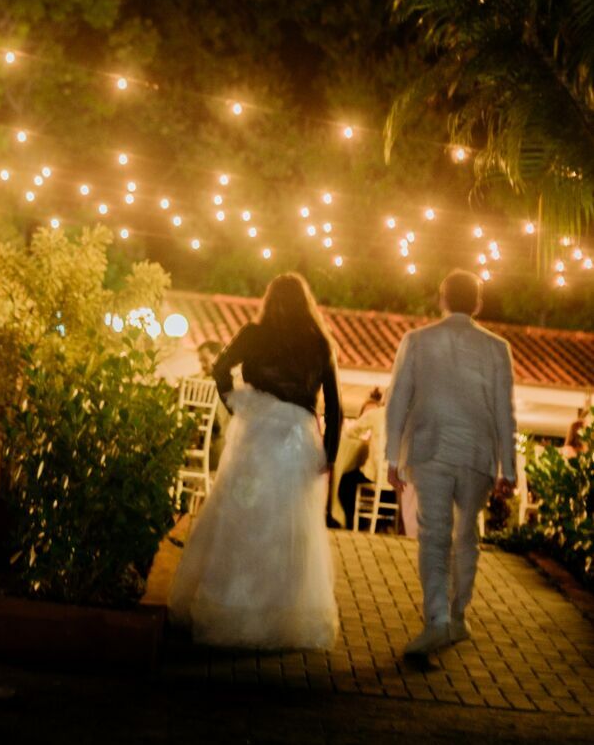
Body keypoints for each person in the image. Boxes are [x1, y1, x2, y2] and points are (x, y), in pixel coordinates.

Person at [168, 273, 342, 649]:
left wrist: (235, 402)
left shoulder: (253, 334)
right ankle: (283, 613)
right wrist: (328, 454)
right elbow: (336, 406)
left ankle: (231, 604)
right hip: (298, 439)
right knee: (289, 526)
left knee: (241, 515)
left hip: (257, 434)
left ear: (269, 300)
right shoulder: (318, 343)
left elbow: (219, 368)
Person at [385, 269, 517, 658]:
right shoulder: (497, 347)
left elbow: (397, 400)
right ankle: (457, 615)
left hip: (430, 448)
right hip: (478, 454)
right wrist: (508, 470)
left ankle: (438, 619)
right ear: (477, 302)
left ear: (441, 299)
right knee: (465, 536)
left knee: (434, 535)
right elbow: (504, 412)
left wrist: (393, 457)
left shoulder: (417, 340)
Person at [330, 389, 385, 529]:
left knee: (346, 482)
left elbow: (351, 431)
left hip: (376, 474)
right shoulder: (407, 419)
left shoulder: (377, 415)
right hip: (398, 479)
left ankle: (350, 523)